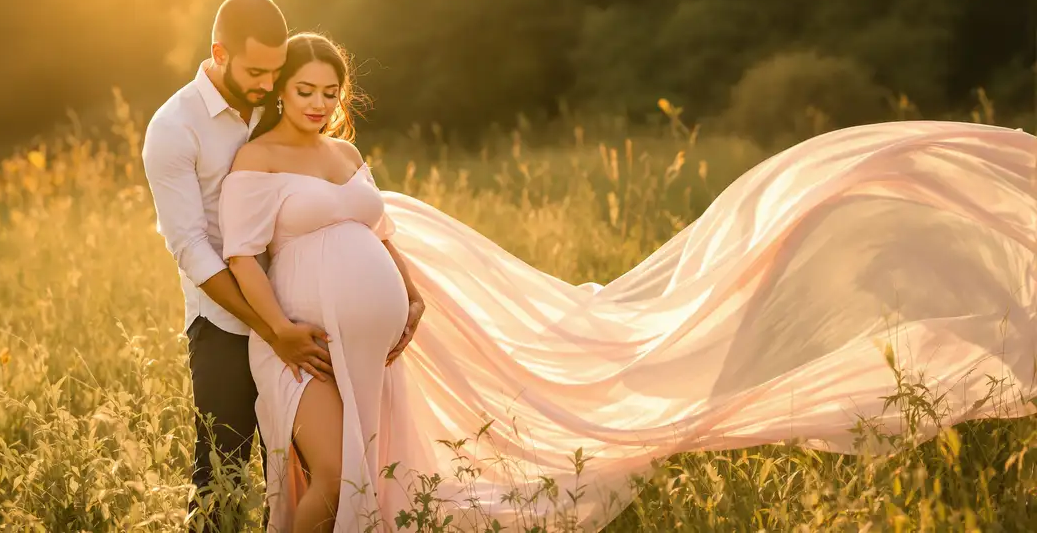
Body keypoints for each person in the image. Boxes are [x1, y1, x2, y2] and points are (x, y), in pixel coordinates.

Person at [219, 30, 1037, 533]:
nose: (321, 104)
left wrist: (411, 288)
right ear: (278, 90)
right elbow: (241, 258)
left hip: (376, 349)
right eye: (305, 91)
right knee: (328, 481)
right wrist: (280, 331)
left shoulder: (345, 155)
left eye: (331, 92)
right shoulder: (256, 160)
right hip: (303, 345)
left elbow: (379, 228)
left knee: (364, 477)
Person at [141, 0, 335, 526]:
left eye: (277, 71)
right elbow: (191, 250)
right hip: (227, 325)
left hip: (305, 312)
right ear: (218, 52)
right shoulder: (174, 128)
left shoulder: (277, 100)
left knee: (314, 468)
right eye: (255, 71)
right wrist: (272, 329)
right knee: (222, 475)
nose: (269, 84)